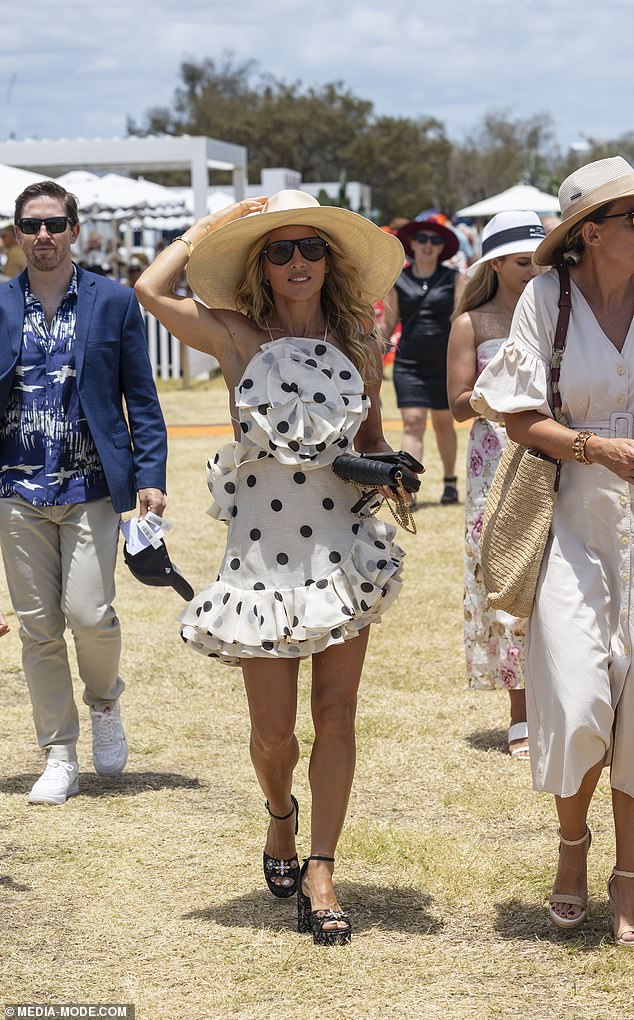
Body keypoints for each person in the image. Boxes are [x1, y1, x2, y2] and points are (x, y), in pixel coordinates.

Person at [135, 190, 408, 946]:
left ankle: (322, 870)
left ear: (331, 262)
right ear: (262, 264)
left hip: (342, 551)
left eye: (310, 248)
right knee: (273, 737)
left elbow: (373, 441)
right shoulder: (234, 336)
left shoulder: (358, 344)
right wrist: (211, 228)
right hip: (260, 559)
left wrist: (392, 470)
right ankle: (279, 818)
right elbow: (149, 291)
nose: (296, 262)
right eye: (279, 250)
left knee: (337, 718)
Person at [471, 156, 634, 944]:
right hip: (571, 514)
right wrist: (598, 451)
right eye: (631, 215)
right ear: (591, 232)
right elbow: (515, 416)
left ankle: (628, 874)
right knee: (574, 696)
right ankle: (573, 848)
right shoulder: (547, 298)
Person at [0, 181, 167, 806]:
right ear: (16, 234)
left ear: (74, 229)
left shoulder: (114, 302)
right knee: (39, 629)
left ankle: (104, 702)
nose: (41, 236)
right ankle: (59, 753)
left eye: (53, 224)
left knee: (90, 615)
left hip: (93, 484)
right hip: (15, 488)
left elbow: (141, 398)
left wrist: (150, 477)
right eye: (29, 225)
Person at [447, 212, 544, 759]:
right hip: (495, 468)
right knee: (508, 583)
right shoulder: (473, 323)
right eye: (521, 261)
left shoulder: (562, 314)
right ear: (495, 265)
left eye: (538, 259)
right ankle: (521, 715)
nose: (533, 270)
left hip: (556, 458)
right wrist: (492, 393)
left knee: (559, 581)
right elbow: (458, 404)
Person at [381, 218, 462, 505]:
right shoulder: (398, 279)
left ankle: (450, 483)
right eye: (423, 239)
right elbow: (388, 323)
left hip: (445, 362)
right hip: (409, 363)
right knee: (412, 423)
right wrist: (370, 349)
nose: (428, 244)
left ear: (442, 248)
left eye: (435, 240)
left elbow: (460, 320)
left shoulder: (454, 278)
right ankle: (409, 488)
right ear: (412, 244)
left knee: (443, 424)